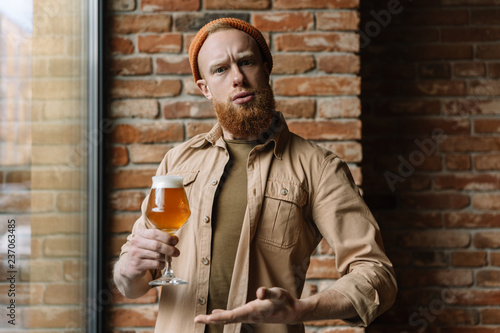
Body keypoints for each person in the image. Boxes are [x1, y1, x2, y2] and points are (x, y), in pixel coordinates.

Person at [113, 17, 397, 333]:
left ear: (265, 68)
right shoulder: (175, 162)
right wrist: (126, 269)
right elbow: (134, 283)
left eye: (246, 62)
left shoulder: (318, 166)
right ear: (205, 88)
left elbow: (376, 274)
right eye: (220, 69)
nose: (237, 78)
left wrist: (298, 310)